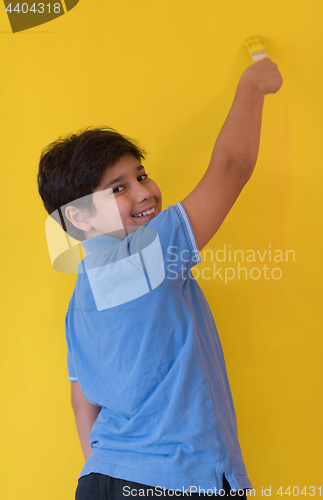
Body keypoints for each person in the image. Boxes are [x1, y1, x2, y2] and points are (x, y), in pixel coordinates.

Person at [37, 57, 283, 499]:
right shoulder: (146, 253)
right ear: (79, 217)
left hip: (104, 478)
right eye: (118, 188)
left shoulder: (82, 299)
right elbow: (231, 166)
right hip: (175, 480)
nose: (144, 191)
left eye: (141, 175)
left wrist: (111, 473)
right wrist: (254, 84)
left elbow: (82, 403)